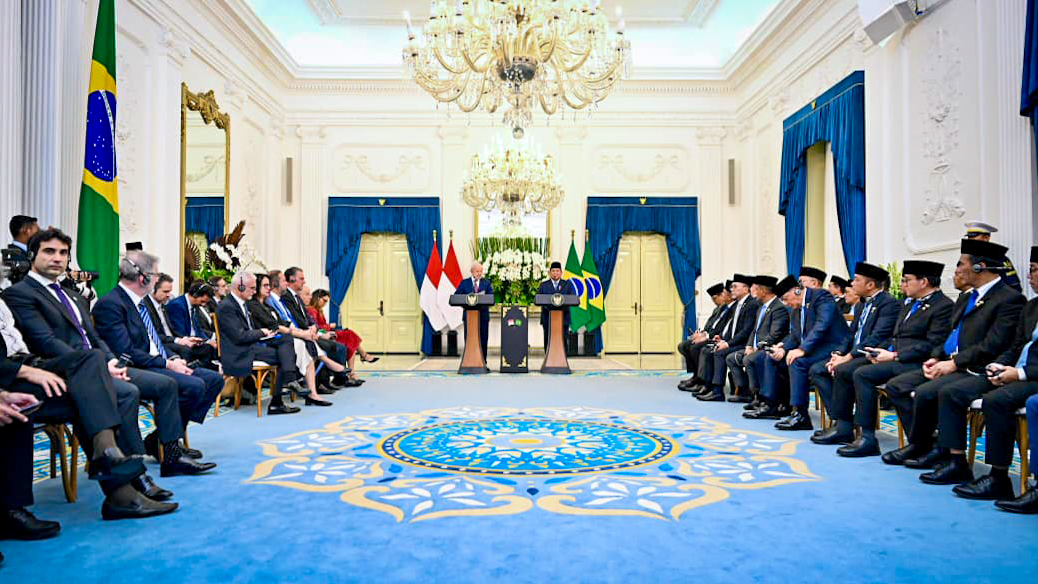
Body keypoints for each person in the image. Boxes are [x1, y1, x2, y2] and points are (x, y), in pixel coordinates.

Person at [2, 228, 185, 513]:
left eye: (63, 253)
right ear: (32, 255)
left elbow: (95, 337)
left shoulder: (74, 296)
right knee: (121, 389)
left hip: (93, 368)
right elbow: (45, 341)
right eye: (49, 251)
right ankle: (124, 469)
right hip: (56, 370)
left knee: (126, 390)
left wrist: (110, 362)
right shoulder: (19, 293)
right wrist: (97, 364)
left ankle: (122, 483)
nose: (57, 258)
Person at [881, 239, 1025, 472]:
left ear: (979, 267)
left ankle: (954, 460)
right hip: (953, 364)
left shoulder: (1009, 298)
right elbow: (949, 334)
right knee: (901, 386)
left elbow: (993, 344)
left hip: (981, 368)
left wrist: (954, 363)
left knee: (942, 392)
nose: (956, 270)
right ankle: (924, 445)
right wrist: (936, 357)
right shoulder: (966, 297)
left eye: (960, 264)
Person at [91, 251, 221, 475]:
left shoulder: (139, 303)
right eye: (155, 275)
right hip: (133, 368)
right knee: (192, 385)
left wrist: (173, 358)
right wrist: (167, 364)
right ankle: (171, 454)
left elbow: (154, 340)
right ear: (143, 277)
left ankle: (159, 438)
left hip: (155, 362)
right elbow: (126, 351)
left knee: (213, 379)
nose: (156, 279)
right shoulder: (111, 304)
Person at [832, 260, 954, 457]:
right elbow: (894, 336)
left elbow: (933, 344)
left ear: (923, 282)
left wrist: (895, 355)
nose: (902, 284)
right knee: (858, 372)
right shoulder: (910, 303)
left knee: (864, 374)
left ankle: (885, 439)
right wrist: (880, 352)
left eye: (906, 280)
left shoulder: (943, 306)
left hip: (917, 361)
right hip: (896, 358)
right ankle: (864, 435)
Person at [955, 246, 1038, 503]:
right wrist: (998, 366)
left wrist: (1019, 374)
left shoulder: (1013, 300)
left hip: (1032, 376)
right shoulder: (1032, 307)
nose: (1028, 275)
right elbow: (1016, 345)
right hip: (1018, 371)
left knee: (997, 400)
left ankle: (999, 477)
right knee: (988, 391)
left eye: (1034, 270)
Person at [809, 262, 899, 444]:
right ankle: (840, 419)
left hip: (871, 355)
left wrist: (847, 358)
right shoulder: (861, 305)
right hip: (854, 353)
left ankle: (849, 428)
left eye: (856, 280)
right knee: (817, 369)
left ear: (870, 285)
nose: (852, 284)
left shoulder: (888, 304)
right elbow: (850, 335)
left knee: (844, 370)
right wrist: (838, 353)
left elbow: (876, 337)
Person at [748, 275, 848, 430]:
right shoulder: (796, 308)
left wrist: (802, 349)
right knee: (773, 358)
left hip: (832, 346)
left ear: (796, 290)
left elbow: (821, 326)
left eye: (786, 299)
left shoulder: (821, 296)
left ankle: (801, 414)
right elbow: (795, 335)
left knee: (797, 362)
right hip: (814, 347)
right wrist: (782, 348)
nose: (786, 304)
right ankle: (771, 404)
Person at [216, 271, 300, 415]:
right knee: (285, 356)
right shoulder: (227, 306)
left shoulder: (242, 303)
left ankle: (289, 382)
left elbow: (248, 332)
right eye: (252, 288)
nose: (254, 292)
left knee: (286, 340)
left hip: (250, 347)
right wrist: (261, 332)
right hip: (238, 353)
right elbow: (239, 336)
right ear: (240, 287)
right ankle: (281, 395)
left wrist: (264, 333)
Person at [247, 274, 332, 406]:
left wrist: (303, 333)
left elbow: (283, 323)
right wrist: (301, 334)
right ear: (257, 287)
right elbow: (273, 325)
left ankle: (310, 391)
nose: (269, 288)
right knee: (295, 346)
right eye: (265, 285)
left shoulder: (266, 305)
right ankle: (293, 382)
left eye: (269, 285)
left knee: (301, 346)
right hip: (264, 342)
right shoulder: (253, 305)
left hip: (277, 340)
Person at [726, 275, 789, 405]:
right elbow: (754, 330)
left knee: (750, 359)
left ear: (763, 291)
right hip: (755, 347)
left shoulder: (778, 308)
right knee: (732, 358)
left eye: (754, 289)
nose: (752, 293)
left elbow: (775, 334)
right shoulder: (761, 307)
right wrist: (749, 345)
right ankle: (748, 393)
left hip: (768, 348)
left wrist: (757, 347)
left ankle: (760, 396)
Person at [695, 274, 759, 402]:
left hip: (745, 343)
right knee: (711, 349)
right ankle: (707, 385)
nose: (731, 289)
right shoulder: (739, 304)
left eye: (735, 287)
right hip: (736, 341)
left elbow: (746, 331)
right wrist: (722, 339)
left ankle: (718, 391)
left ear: (746, 288)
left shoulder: (751, 304)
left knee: (719, 353)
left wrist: (727, 344)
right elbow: (733, 327)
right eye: (731, 287)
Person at [279, 267, 350, 377]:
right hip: (301, 333)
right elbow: (297, 319)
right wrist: (314, 330)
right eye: (301, 278)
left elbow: (309, 319)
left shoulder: (298, 299)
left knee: (339, 343)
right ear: (292, 279)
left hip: (310, 332)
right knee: (334, 346)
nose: (304, 281)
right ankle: (333, 379)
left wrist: (313, 326)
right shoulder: (287, 297)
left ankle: (335, 378)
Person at [304, 287, 375, 383]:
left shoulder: (318, 310)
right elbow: (317, 327)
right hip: (323, 333)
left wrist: (328, 327)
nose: (325, 303)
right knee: (350, 336)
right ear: (318, 298)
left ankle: (356, 367)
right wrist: (329, 326)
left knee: (350, 338)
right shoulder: (312, 310)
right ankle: (360, 361)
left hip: (325, 332)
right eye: (324, 300)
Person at [143, 273, 215, 366]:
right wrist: (179, 340)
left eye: (169, 292)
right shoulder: (146, 306)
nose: (169, 295)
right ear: (153, 289)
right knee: (187, 350)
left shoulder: (162, 305)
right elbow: (154, 334)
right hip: (162, 343)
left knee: (207, 348)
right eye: (165, 292)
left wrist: (187, 339)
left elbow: (174, 330)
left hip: (171, 340)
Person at [677, 282, 732, 391]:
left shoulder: (729, 309)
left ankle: (702, 379)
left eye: (715, 298)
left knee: (695, 347)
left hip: (719, 339)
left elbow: (722, 329)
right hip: (710, 336)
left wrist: (706, 336)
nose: (714, 301)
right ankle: (696, 375)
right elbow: (710, 326)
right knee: (683, 345)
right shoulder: (718, 309)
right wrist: (701, 333)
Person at [964, 221, 1022, 293]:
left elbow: (1014, 286)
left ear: (986, 238)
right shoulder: (969, 258)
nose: (970, 240)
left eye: (973, 236)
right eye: (969, 237)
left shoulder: (999, 258)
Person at [454, 262, 493, 358]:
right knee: (469, 339)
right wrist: (467, 299)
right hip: (469, 317)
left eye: (481, 271)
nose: (479, 273)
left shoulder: (486, 283)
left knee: (483, 339)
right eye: (477, 271)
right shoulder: (464, 283)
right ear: (472, 272)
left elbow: (491, 299)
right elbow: (456, 297)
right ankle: (469, 360)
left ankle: (483, 361)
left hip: (483, 317)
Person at [537, 261, 575, 349]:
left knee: (563, 340)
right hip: (547, 318)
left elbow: (572, 298)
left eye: (557, 271)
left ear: (561, 272)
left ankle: (563, 357)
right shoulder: (543, 285)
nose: (555, 273)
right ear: (550, 273)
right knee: (548, 341)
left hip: (563, 318)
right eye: (553, 271)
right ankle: (548, 357)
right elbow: (538, 299)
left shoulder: (567, 284)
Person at [166, 281, 217, 345]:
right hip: (184, 343)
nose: (203, 305)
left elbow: (198, 330)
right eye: (202, 301)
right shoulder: (177, 305)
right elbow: (179, 332)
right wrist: (203, 342)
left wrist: (208, 341)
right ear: (195, 295)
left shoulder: (193, 306)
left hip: (194, 341)